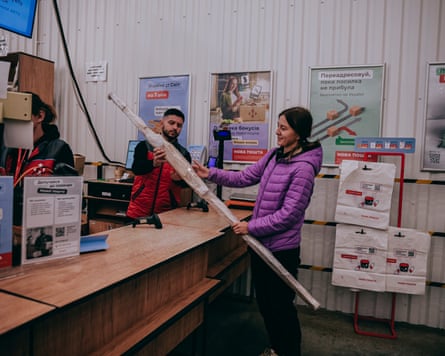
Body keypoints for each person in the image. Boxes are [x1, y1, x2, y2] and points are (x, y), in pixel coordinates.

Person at [193, 106, 323, 356]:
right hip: (260, 245)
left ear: (299, 133)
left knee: (280, 307)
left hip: (281, 249)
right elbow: (244, 177)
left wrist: (250, 226)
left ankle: (288, 352)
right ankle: (276, 348)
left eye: (283, 128)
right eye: (278, 125)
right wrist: (210, 173)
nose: (277, 131)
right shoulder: (275, 155)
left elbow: (289, 215)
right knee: (266, 304)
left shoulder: (304, 168)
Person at [0, 92, 76, 225]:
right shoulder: (7, 151)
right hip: (8, 227)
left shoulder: (58, 150)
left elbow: (68, 201)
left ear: (40, 116)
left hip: (38, 228)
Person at [126, 108, 191, 219]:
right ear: (162, 123)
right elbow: (136, 169)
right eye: (171, 123)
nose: (175, 127)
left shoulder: (183, 154)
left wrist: (179, 180)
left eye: (179, 125)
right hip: (138, 211)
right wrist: (153, 163)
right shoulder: (144, 146)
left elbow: (188, 184)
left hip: (166, 214)